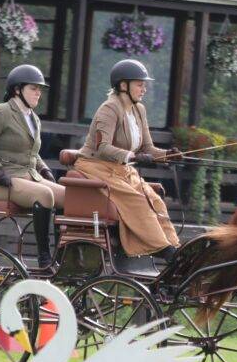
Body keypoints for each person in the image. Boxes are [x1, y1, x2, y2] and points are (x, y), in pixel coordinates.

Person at [75, 59, 182, 262]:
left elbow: (147, 148)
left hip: (122, 169)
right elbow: (102, 147)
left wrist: (168, 155)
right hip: (96, 167)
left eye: (144, 84)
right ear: (123, 85)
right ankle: (163, 249)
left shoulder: (138, 110)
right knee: (137, 201)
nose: (144, 89)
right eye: (139, 84)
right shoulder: (109, 109)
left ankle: (175, 248)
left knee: (156, 200)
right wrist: (131, 156)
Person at [0, 64, 65, 269]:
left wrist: (44, 169)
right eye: (33, 88)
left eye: (40, 89)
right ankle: (45, 258)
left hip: (27, 176)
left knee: (69, 196)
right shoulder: (0, 112)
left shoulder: (33, 118)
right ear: (17, 89)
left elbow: (32, 152)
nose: (39, 92)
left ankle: (62, 254)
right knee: (45, 195)